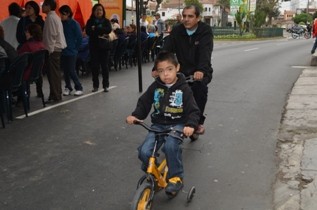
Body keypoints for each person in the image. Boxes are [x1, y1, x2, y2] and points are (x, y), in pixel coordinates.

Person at [126, 51, 200, 196]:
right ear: (156, 72)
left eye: (169, 69)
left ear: (177, 68)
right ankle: (153, 170)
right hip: (158, 125)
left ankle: (176, 177)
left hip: (177, 124)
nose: (165, 74)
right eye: (161, 71)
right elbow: (144, 103)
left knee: (171, 146)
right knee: (144, 151)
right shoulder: (155, 86)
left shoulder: (184, 89)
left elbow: (193, 110)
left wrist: (190, 125)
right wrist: (135, 115)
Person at [162, 5, 213, 135]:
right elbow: (167, 50)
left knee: (199, 88)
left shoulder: (205, 30)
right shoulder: (177, 30)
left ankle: (198, 122)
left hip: (201, 70)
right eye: (184, 16)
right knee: (167, 87)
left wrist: (201, 70)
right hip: (182, 70)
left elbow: (205, 52)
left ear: (198, 18)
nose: (186, 19)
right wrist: (158, 68)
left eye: (190, 16)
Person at [42, 0, 67, 103]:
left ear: (48, 6)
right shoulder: (54, 17)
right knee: (54, 73)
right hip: (56, 48)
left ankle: (56, 95)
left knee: (53, 74)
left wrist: (49, 50)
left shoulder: (51, 18)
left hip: (53, 49)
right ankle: (55, 94)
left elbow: (51, 36)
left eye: (44, 5)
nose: (42, 7)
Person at [85, 3, 112, 92]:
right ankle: (95, 85)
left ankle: (106, 85)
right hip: (94, 47)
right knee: (95, 67)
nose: (99, 11)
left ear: (103, 11)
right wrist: (99, 31)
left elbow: (108, 30)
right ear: (93, 11)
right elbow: (88, 32)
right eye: (97, 10)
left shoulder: (106, 21)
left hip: (104, 47)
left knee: (104, 66)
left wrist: (95, 28)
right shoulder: (90, 21)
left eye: (100, 10)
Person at [59, 5, 83, 97]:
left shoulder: (74, 24)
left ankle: (79, 87)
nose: (61, 16)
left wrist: (75, 49)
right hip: (63, 50)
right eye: (60, 14)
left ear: (68, 13)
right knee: (65, 71)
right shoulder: (61, 23)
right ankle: (68, 87)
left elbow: (80, 37)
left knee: (71, 70)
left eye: (62, 14)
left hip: (72, 51)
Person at [17, 23, 45, 88]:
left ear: (32, 34)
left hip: (26, 73)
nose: (25, 34)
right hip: (36, 72)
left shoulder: (27, 45)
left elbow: (17, 58)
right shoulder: (41, 44)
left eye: (27, 32)